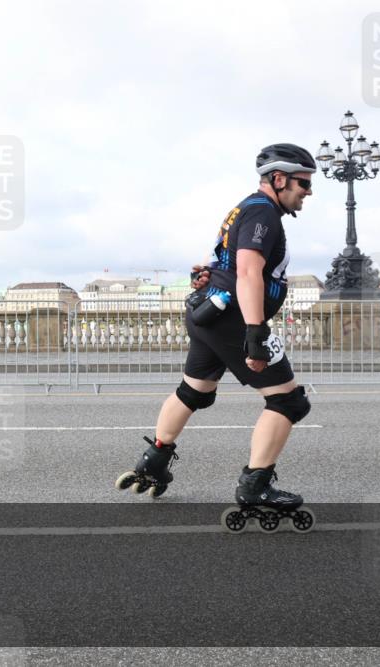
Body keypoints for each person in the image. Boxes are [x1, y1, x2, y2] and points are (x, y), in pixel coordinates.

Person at [116, 143, 316, 509]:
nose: (308, 191)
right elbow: (249, 270)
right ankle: (255, 488)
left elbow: (221, 258)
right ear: (279, 178)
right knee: (288, 401)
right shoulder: (264, 215)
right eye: (303, 183)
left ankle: (154, 461)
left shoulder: (244, 208)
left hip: (210, 311)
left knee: (194, 391)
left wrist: (206, 276)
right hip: (233, 318)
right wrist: (255, 332)